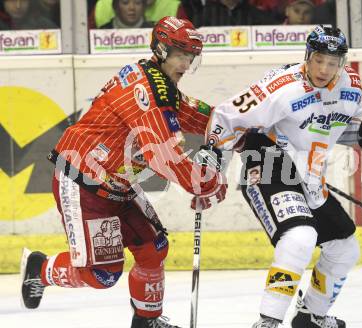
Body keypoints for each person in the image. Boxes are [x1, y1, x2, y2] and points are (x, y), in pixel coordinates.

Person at [20, 16, 227, 328]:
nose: (186, 64)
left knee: (153, 249)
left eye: (190, 58)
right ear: (161, 49)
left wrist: (246, 125)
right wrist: (207, 182)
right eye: (181, 55)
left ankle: (147, 321)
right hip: (83, 182)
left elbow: (203, 118)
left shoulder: (161, 84)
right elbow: (165, 158)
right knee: (101, 275)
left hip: (118, 183)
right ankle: (40, 269)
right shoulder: (147, 92)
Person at [204, 25, 362, 328]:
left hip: (310, 177)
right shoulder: (281, 86)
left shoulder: (351, 87)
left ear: (342, 63)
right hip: (267, 163)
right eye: (319, 59)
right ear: (307, 55)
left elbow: (337, 129)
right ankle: (268, 321)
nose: (324, 69)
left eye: (332, 62)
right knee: (300, 237)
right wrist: (213, 162)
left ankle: (311, 315)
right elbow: (226, 117)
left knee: (345, 248)